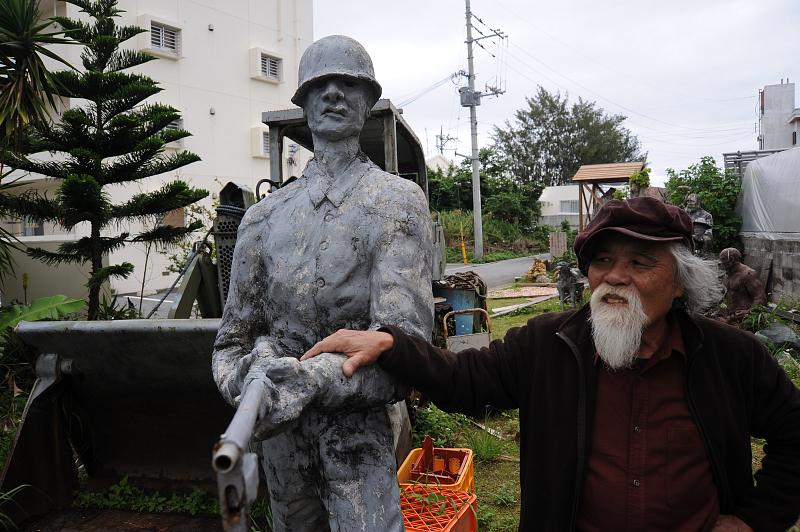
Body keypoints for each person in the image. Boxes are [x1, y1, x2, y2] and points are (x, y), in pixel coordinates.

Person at [303, 196, 800, 531]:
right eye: (602, 262)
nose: (615, 277)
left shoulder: (731, 358)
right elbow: (466, 380)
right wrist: (392, 345)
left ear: (680, 285)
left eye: (641, 262)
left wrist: (753, 519)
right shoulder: (549, 344)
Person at [212, 35, 433, 532]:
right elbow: (229, 344)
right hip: (281, 449)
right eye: (320, 85)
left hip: (358, 438)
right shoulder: (261, 220)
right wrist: (251, 381)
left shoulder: (396, 203)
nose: (333, 93)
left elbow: (407, 348)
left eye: (348, 83)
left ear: (367, 100)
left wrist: (312, 380)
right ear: (304, 103)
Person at [719, 247, 767, 315]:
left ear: (732, 259)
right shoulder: (728, 274)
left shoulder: (748, 274)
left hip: (741, 318)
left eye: (723, 259)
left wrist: (748, 312)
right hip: (728, 315)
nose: (721, 263)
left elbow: (761, 298)